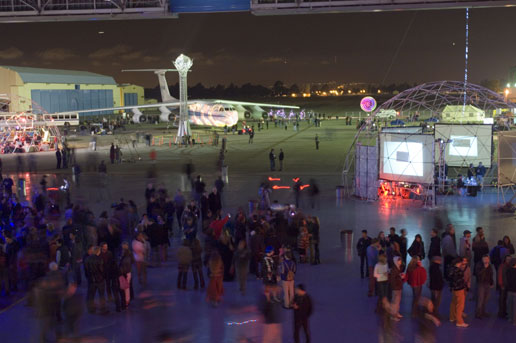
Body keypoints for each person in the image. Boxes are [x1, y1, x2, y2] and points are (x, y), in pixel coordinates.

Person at [84, 246, 107, 314]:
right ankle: (103, 309)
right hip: (99, 280)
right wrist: (103, 276)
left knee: (91, 296)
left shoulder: (87, 259)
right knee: (101, 295)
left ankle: (91, 309)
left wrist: (88, 277)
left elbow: (86, 270)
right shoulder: (99, 259)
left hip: (91, 280)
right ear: (98, 251)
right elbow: (101, 270)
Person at [449, 257, 469, 327]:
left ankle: (452, 317)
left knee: (454, 303)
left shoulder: (451, 269)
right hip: (460, 289)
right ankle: (459, 321)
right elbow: (461, 280)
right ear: (459, 263)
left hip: (454, 289)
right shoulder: (459, 271)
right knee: (460, 305)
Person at [475, 254, 494, 319]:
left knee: (486, 298)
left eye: (487, 259)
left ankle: (483, 311)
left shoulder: (489, 265)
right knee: (481, 299)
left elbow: (491, 274)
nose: (486, 260)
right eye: (485, 259)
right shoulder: (479, 265)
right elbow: (478, 274)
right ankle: (478, 313)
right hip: (481, 283)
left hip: (487, 283)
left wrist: (491, 282)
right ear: (482, 259)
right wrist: (484, 268)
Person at [389, 256, 405, 320]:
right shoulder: (394, 269)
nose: (400, 262)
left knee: (397, 302)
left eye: (400, 260)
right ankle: (393, 315)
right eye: (399, 260)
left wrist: (400, 276)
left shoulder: (398, 268)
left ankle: (396, 312)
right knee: (395, 302)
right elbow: (393, 280)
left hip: (398, 287)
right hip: (396, 288)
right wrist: (400, 278)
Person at [506, 258, 516, 325]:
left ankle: (510, 318)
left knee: (510, 305)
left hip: (509, 290)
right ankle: (514, 321)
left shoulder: (508, 270)